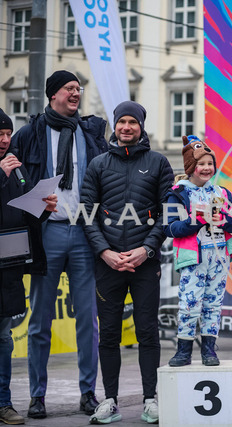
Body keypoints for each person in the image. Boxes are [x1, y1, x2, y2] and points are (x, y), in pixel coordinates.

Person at [10, 70, 108, 419]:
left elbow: (105, 180)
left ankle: (88, 393)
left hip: (83, 233)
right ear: (53, 94)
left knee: (88, 320)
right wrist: (36, 202)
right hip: (46, 234)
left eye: (78, 88)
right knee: (39, 321)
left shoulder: (90, 132)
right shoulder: (29, 134)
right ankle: (37, 396)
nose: (76, 93)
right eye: (69, 88)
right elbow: (14, 184)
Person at [80, 101, 173, 424]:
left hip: (145, 263)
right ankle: (109, 401)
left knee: (147, 331)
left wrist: (146, 249)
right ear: (115, 125)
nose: (126, 128)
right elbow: (87, 214)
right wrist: (105, 252)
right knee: (108, 334)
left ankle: (150, 400)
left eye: (133, 122)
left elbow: (168, 213)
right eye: (122, 122)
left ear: (141, 126)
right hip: (108, 264)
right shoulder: (98, 164)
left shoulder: (158, 162)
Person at [0, 109, 57, 425]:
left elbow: (24, 212)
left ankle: (3, 402)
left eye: (8, 134)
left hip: (8, 265)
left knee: (3, 337)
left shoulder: (17, 169)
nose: (5, 140)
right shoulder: (5, 170)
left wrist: (44, 208)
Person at [164, 135, 232, 367]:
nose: (207, 168)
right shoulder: (177, 193)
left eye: (210, 163)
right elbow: (169, 228)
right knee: (189, 304)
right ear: (190, 167)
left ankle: (209, 350)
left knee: (213, 304)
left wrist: (223, 220)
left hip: (219, 256)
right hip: (193, 258)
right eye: (201, 164)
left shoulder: (223, 193)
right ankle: (183, 351)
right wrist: (196, 221)